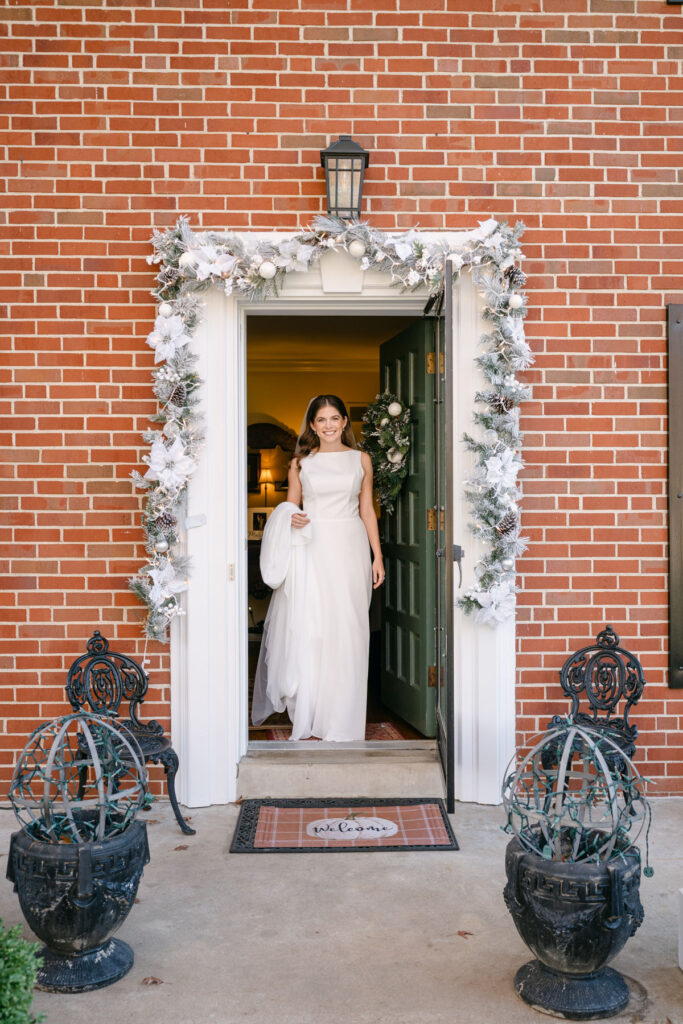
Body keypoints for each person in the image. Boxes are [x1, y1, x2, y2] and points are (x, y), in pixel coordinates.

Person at [251, 395, 384, 741]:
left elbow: (367, 510)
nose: (328, 425)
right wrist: (288, 517)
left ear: (344, 423)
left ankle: (343, 719)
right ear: (312, 425)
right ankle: (314, 713)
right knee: (316, 630)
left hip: (351, 545)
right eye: (321, 419)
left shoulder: (361, 460)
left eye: (334, 418)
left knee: (350, 628)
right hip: (312, 547)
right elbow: (289, 506)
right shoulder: (301, 463)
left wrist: (377, 556)